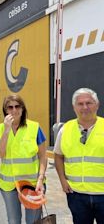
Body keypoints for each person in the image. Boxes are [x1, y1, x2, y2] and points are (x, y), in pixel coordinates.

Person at [0, 94, 47, 224]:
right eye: (10, 107)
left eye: (17, 106)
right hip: (9, 185)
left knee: (33, 221)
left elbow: (43, 156)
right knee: (13, 220)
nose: (14, 110)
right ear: (5, 110)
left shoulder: (35, 128)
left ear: (23, 109)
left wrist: (40, 179)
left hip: (32, 184)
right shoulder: (0, 129)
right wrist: (7, 130)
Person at [54, 88, 104, 224]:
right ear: (74, 107)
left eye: (89, 103)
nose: (85, 107)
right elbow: (58, 155)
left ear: (97, 105)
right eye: (80, 104)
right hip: (76, 194)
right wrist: (63, 180)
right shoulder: (65, 129)